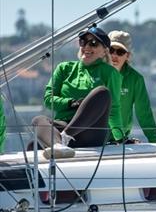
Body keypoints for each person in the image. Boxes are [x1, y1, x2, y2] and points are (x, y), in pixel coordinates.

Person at [32, 25, 124, 158]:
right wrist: (71, 103)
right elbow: (48, 99)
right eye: (83, 42)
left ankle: (65, 138)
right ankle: (59, 145)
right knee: (38, 120)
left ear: (104, 51)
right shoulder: (64, 68)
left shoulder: (109, 72)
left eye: (93, 43)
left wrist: (120, 138)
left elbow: (114, 108)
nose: (86, 47)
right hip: (63, 124)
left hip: (92, 130)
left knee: (102, 92)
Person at [107, 31, 156, 143]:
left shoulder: (136, 79)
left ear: (128, 56)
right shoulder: (95, 73)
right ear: (105, 52)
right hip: (93, 141)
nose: (114, 55)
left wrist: (154, 141)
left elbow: (144, 113)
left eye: (120, 52)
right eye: (111, 51)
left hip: (120, 141)